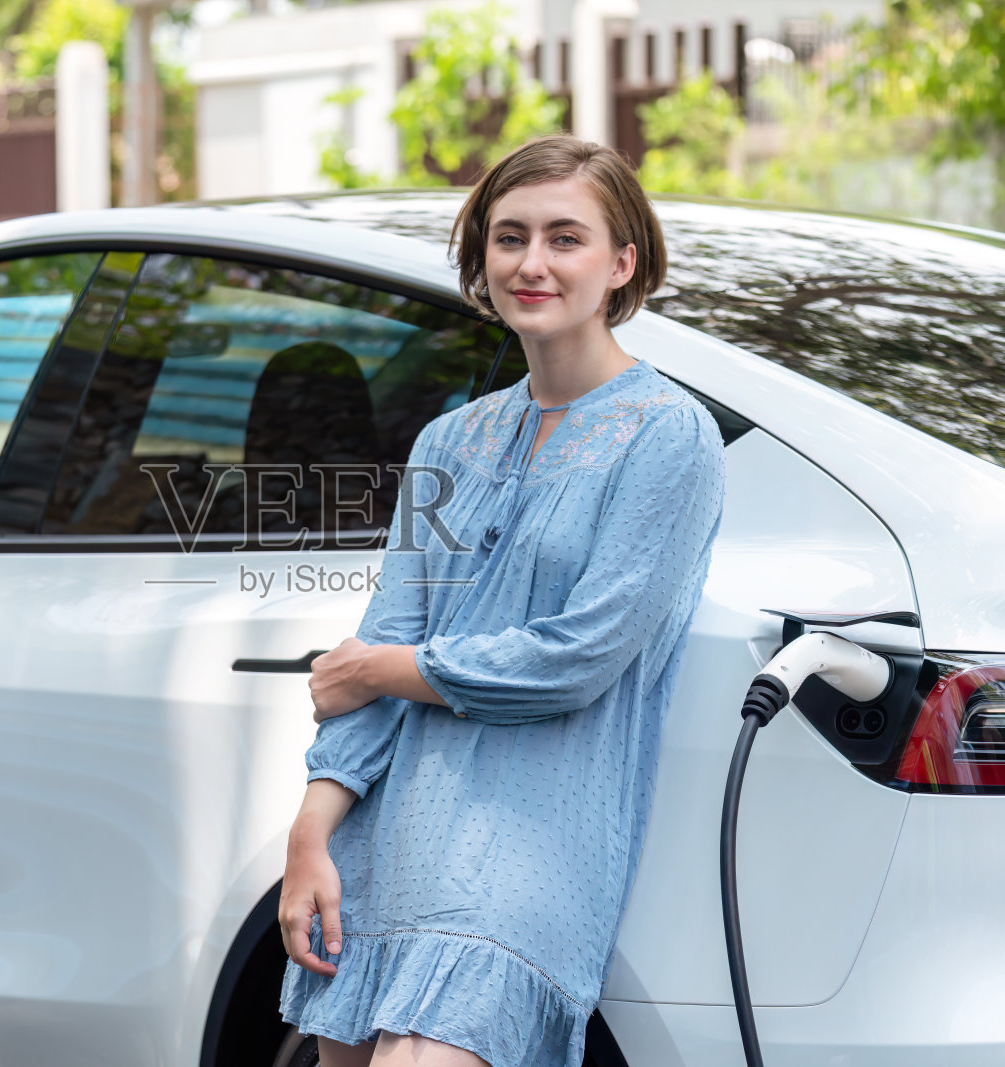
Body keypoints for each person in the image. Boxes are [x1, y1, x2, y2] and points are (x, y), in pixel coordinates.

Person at [276, 135, 727, 1067]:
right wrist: (310, 832)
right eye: (510, 236)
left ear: (622, 262)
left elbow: (577, 657)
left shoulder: (669, 436)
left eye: (566, 238)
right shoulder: (449, 440)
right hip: (388, 838)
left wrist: (387, 668)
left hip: (527, 850)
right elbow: (385, 636)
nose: (532, 263)